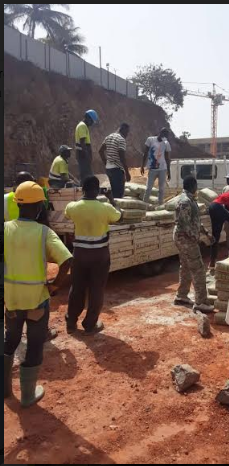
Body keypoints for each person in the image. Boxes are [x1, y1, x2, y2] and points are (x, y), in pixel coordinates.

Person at [4, 181, 72, 407]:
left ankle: (4, 390)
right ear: (39, 207)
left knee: (10, 340)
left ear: (18, 204)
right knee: (34, 345)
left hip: (12, 299)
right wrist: (55, 285)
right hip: (36, 300)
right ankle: (28, 396)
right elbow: (67, 260)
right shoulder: (44, 233)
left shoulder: (4, 229)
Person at [65, 176, 122, 335]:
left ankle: (70, 322)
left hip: (80, 254)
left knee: (77, 288)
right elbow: (119, 216)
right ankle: (90, 324)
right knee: (97, 289)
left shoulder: (73, 207)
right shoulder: (105, 208)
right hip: (100, 255)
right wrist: (111, 199)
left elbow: (68, 214)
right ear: (97, 190)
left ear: (83, 189)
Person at [173, 175, 214, 314]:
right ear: (192, 186)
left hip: (185, 239)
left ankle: (181, 296)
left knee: (185, 266)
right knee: (198, 269)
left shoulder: (190, 200)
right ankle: (201, 302)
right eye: (196, 185)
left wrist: (206, 233)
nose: (197, 188)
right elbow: (183, 224)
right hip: (186, 240)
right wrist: (194, 238)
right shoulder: (185, 201)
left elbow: (195, 221)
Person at [99, 123, 131, 199]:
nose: (127, 134)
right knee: (119, 196)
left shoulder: (108, 137)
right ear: (123, 129)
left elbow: (100, 151)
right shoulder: (121, 139)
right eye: (127, 132)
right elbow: (122, 157)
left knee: (113, 193)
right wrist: (127, 172)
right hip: (117, 170)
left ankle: (112, 209)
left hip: (109, 169)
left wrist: (106, 163)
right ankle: (117, 210)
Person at [141, 128, 171, 205]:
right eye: (163, 134)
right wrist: (142, 166)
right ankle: (144, 206)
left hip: (162, 169)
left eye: (166, 135)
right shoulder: (150, 140)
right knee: (148, 189)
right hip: (152, 169)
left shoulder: (166, 143)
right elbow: (145, 153)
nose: (164, 136)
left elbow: (167, 158)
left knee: (161, 190)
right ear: (160, 133)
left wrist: (169, 171)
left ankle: (160, 206)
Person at [75, 109, 99, 184]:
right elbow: (83, 143)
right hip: (83, 154)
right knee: (87, 176)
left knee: (86, 175)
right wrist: (87, 156)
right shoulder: (82, 126)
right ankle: (85, 191)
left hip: (82, 154)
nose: (92, 124)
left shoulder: (83, 126)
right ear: (88, 118)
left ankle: (85, 190)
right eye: (92, 121)